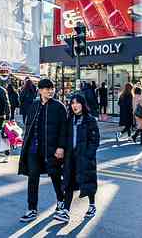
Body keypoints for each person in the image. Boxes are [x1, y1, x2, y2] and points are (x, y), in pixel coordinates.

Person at [18, 78, 67, 223]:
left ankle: (61, 202)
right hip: (34, 149)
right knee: (32, 178)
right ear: (40, 90)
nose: (50, 91)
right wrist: (24, 144)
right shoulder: (34, 105)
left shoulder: (59, 107)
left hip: (51, 149)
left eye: (52, 88)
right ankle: (32, 209)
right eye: (47, 89)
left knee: (55, 176)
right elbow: (29, 126)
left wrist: (61, 146)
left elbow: (64, 129)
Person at [54, 94, 99, 223]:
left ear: (83, 104)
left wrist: (89, 155)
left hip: (84, 157)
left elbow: (95, 140)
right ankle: (66, 212)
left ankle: (92, 205)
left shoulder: (90, 120)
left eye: (77, 103)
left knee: (88, 181)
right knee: (68, 183)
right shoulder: (70, 120)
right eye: (72, 103)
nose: (74, 105)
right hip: (70, 157)